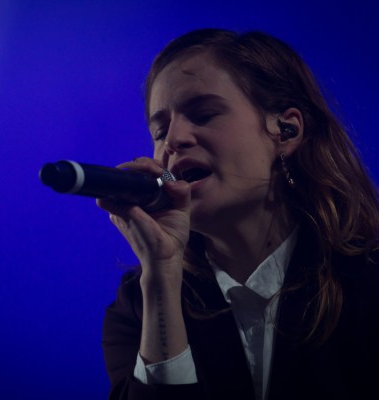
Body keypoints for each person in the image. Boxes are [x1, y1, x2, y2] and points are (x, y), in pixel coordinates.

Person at [97, 28, 379, 400]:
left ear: (286, 130)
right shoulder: (138, 305)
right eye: (160, 130)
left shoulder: (368, 279)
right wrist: (162, 278)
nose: (174, 141)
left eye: (202, 114)